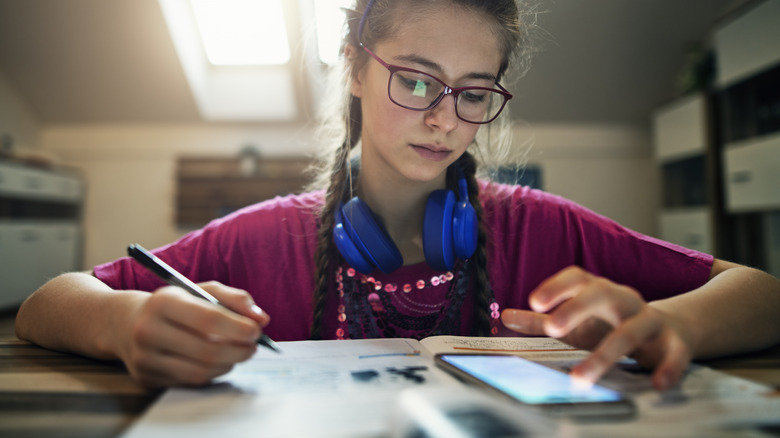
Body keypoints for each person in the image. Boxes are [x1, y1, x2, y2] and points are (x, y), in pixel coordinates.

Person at [14, 0, 780, 391]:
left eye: (474, 92)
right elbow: (49, 299)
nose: (445, 118)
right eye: (415, 79)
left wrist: (660, 325)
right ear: (353, 65)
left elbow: (761, 293)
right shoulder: (260, 241)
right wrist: (126, 322)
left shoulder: (545, 232)